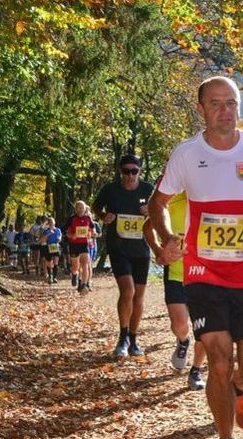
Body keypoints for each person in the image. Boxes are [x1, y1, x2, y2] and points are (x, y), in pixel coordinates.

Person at [148, 76, 243, 439]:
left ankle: (239, 389)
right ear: (201, 109)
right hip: (202, 271)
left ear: (240, 109)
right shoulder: (187, 154)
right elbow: (158, 204)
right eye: (216, 104)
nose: (225, 111)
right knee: (218, 358)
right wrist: (166, 237)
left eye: (231, 103)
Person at [143, 190, 207, 391]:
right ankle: (182, 341)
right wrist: (158, 250)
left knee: (205, 330)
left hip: (205, 276)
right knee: (179, 325)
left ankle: (195, 370)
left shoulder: (211, 198)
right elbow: (147, 227)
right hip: (176, 274)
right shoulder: (171, 200)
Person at [93, 154, 154, 357]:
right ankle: (123, 336)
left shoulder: (148, 190)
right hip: (118, 247)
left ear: (139, 171)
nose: (130, 175)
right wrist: (104, 216)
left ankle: (134, 340)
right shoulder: (111, 190)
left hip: (142, 250)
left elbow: (161, 212)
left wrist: (151, 212)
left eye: (134, 171)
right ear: (120, 172)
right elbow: (96, 206)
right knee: (127, 290)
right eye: (126, 171)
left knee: (139, 296)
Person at [64, 201, 95, 293]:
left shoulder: (88, 218)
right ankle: (74, 274)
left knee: (85, 264)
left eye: (81, 207)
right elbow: (66, 232)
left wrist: (92, 233)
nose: (80, 209)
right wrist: (71, 235)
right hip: (74, 245)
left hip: (84, 244)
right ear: (75, 209)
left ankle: (84, 285)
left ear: (85, 208)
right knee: (75, 266)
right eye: (78, 208)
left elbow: (92, 230)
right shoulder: (72, 219)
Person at [39, 217, 63, 284]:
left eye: (52, 222)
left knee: (55, 262)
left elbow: (60, 237)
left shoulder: (58, 230)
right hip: (48, 247)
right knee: (49, 263)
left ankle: (54, 277)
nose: (51, 224)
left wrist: (59, 238)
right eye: (49, 223)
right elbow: (41, 240)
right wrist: (48, 234)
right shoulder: (46, 231)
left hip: (55, 246)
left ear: (54, 223)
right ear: (48, 224)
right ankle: (50, 277)